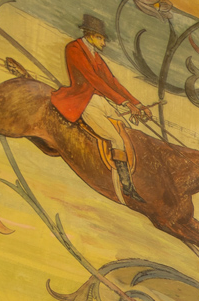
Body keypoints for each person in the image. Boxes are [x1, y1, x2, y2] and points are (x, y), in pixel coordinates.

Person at [50, 15, 152, 205]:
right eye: (101, 38)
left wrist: (137, 104)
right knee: (115, 139)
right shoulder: (74, 49)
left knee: (125, 125)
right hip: (84, 101)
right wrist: (123, 102)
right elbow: (93, 80)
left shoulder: (95, 55)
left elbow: (112, 82)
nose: (104, 43)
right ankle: (127, 187)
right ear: (90, 35)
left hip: (100, 100)